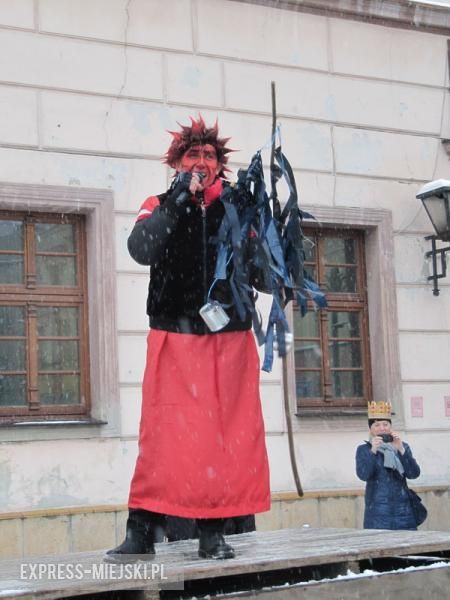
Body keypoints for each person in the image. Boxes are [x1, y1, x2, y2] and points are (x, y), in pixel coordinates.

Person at [107, 116, 270, 561]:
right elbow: (142, 249)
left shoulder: (239, 208)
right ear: (177, 162)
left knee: (221, 438)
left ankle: (212, 533)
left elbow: (265, 278)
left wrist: (275, 240)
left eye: (209, 156)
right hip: (173, 335)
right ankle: (141, 531)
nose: (202, 163)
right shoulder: (158, 203)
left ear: (221, 165)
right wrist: (179, 199)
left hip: (228, 338)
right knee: (161, 436)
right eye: (193, 155)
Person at [356, 401, 421, 530]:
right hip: (378, 513)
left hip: (404, 512)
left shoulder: (402, 446)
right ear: (371, 429)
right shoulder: (364, 449)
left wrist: (401, 450)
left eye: (385, 424)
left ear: (390, 426)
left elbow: (414, 474)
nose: (382, 428)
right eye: (377, 425)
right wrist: (373, 451)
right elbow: (363, 474)